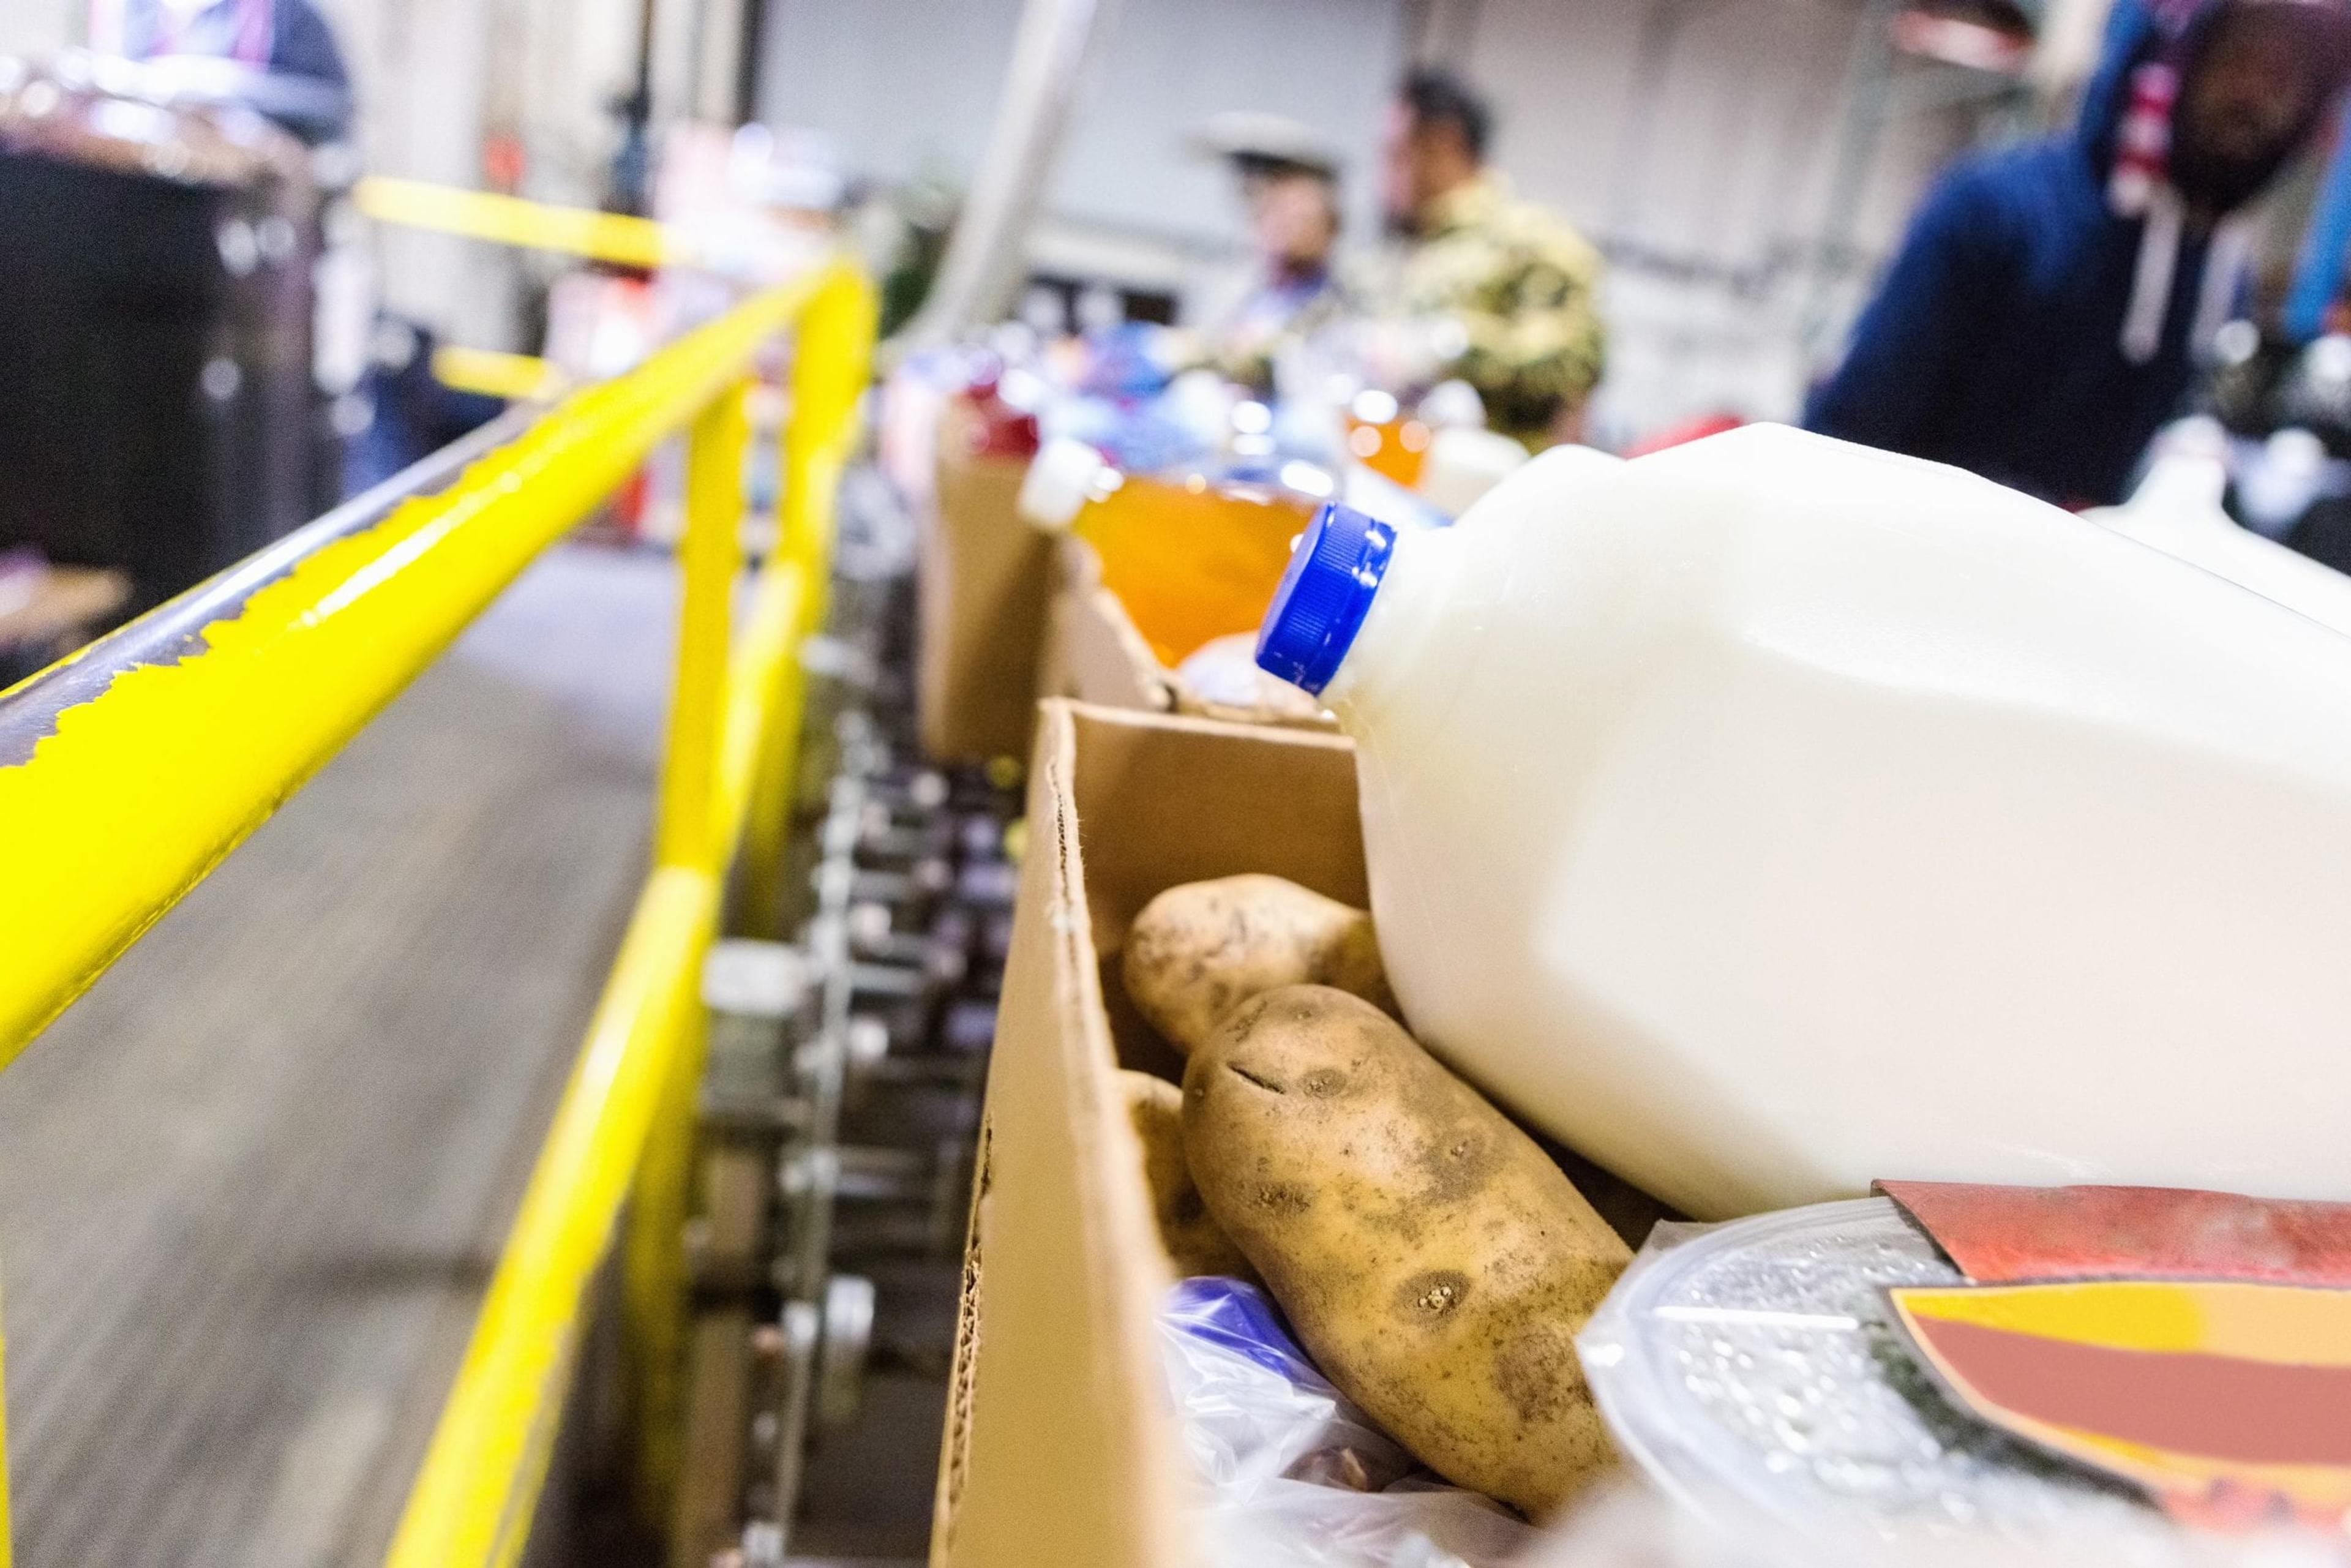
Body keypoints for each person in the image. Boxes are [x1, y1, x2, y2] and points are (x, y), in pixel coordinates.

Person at [1806, 0, 2351, 508]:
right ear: (2175, 63)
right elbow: (1848, 439)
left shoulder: (2224, 284)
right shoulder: (1994, 212)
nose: (2255, 98)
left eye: (2286, 81)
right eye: (2240, 62)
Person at [1354, 69, 1607, 449]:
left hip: (1481, 486)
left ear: (1443, 143)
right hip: (1387, 468)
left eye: (1396, 154)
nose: (1384, 176)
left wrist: (1450, 346)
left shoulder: (1531, 239)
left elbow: (1573, 361)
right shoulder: (1400, 255)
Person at [1205, 152, 1349, 396]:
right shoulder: (1245, 295)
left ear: (1330, 229)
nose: (1286, 227)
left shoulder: (1336, 305)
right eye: (1278, 213)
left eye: (1303, 219)